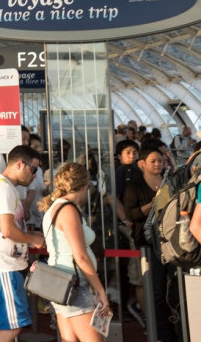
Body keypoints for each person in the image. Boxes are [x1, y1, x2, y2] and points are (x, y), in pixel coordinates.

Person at [39, 162, 112, 342]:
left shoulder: (55, 207)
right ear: (84, 186)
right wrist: (100, 290)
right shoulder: (68, 210)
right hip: (75, 284)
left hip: (63, 282)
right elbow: (80, 256)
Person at [0, 145, 45, 342]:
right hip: (4, 268)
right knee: (12, 326)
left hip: (7, 266)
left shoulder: (6, 187)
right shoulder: (3, 189)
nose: (35, 175)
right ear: (19, 164)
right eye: (33, 169)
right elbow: (8, 229)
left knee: (13, 324)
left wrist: (29, 235)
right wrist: (33, 239)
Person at [122, 141, 175, 340]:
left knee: (172, 288)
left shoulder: (169, 183)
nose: (158, 164)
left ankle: (175, 329)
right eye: (153, 161)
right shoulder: (134, 187)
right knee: (156, 290)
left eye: (160, 161)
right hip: (147, 244)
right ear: (142, 163)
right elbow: (131, 215)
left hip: (169, 242)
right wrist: (151, 205)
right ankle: (160, 332)